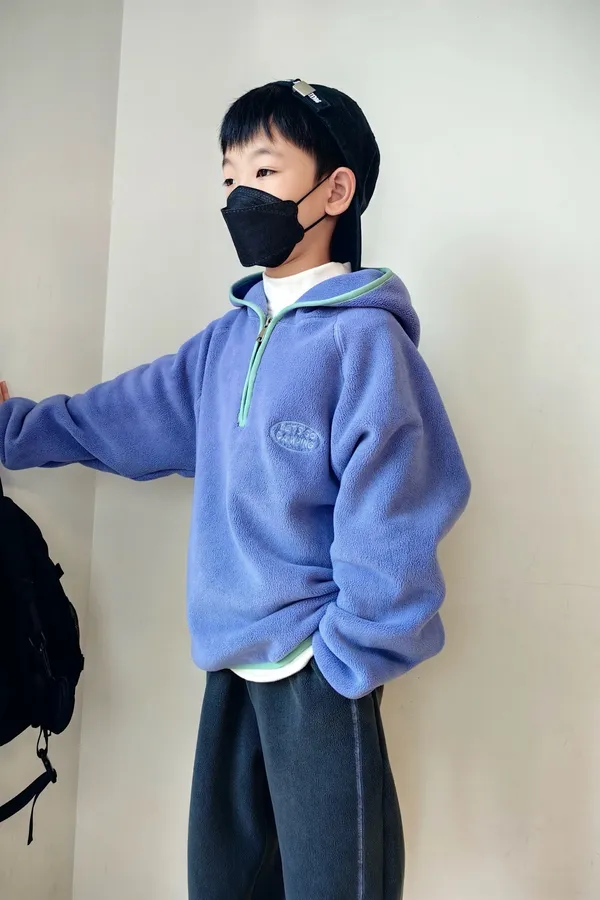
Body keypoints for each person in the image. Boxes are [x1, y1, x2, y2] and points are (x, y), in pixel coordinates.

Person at [0, 79, 471, 899]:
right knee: (221, 884)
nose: (239, 195)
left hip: (320, 672)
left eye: (263, 170)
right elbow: (115, 420)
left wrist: (346, 658)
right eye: (229, 177)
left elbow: (401, 510)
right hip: (229, 659)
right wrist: (11, 427)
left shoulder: (366, 345)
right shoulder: (224, 345)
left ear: (336, 190)